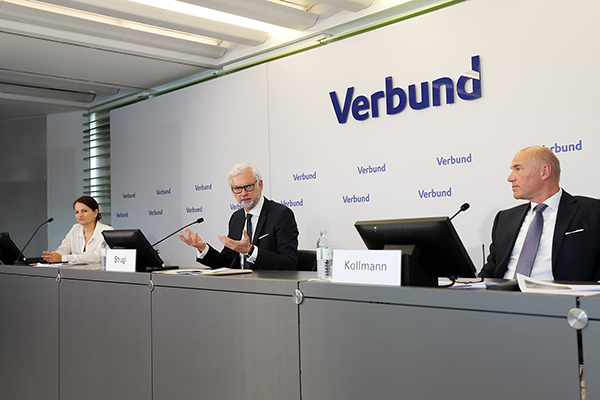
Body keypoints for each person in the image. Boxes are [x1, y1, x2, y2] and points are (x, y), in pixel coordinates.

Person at [479, 146, 600, 281]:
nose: (510, 178)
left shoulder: (593, 211)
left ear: (544, 172)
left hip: (559, 299)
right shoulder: (504, 219)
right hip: (502, 298)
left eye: (518, 169)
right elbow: (490, 270)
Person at [179, 163, 299, 270]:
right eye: (237, 188)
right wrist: (203, 248)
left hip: (268, 288)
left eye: (248, 186)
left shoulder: (280, 214)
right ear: (232, 191)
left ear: (260, 185)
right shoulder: (237, 218)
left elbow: (289, 262)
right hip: (239, 287)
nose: (243, 193)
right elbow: (227, 262)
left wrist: (250, 251)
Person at [42, 196, 113, 263]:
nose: (80, 215)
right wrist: (53, 256)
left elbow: (97, 256)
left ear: (95, 213)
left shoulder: (107, 231)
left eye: (84, 211)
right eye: (77, 212)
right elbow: (64, 248)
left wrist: (63, 258)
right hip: (75, 274)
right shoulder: (75, 228)